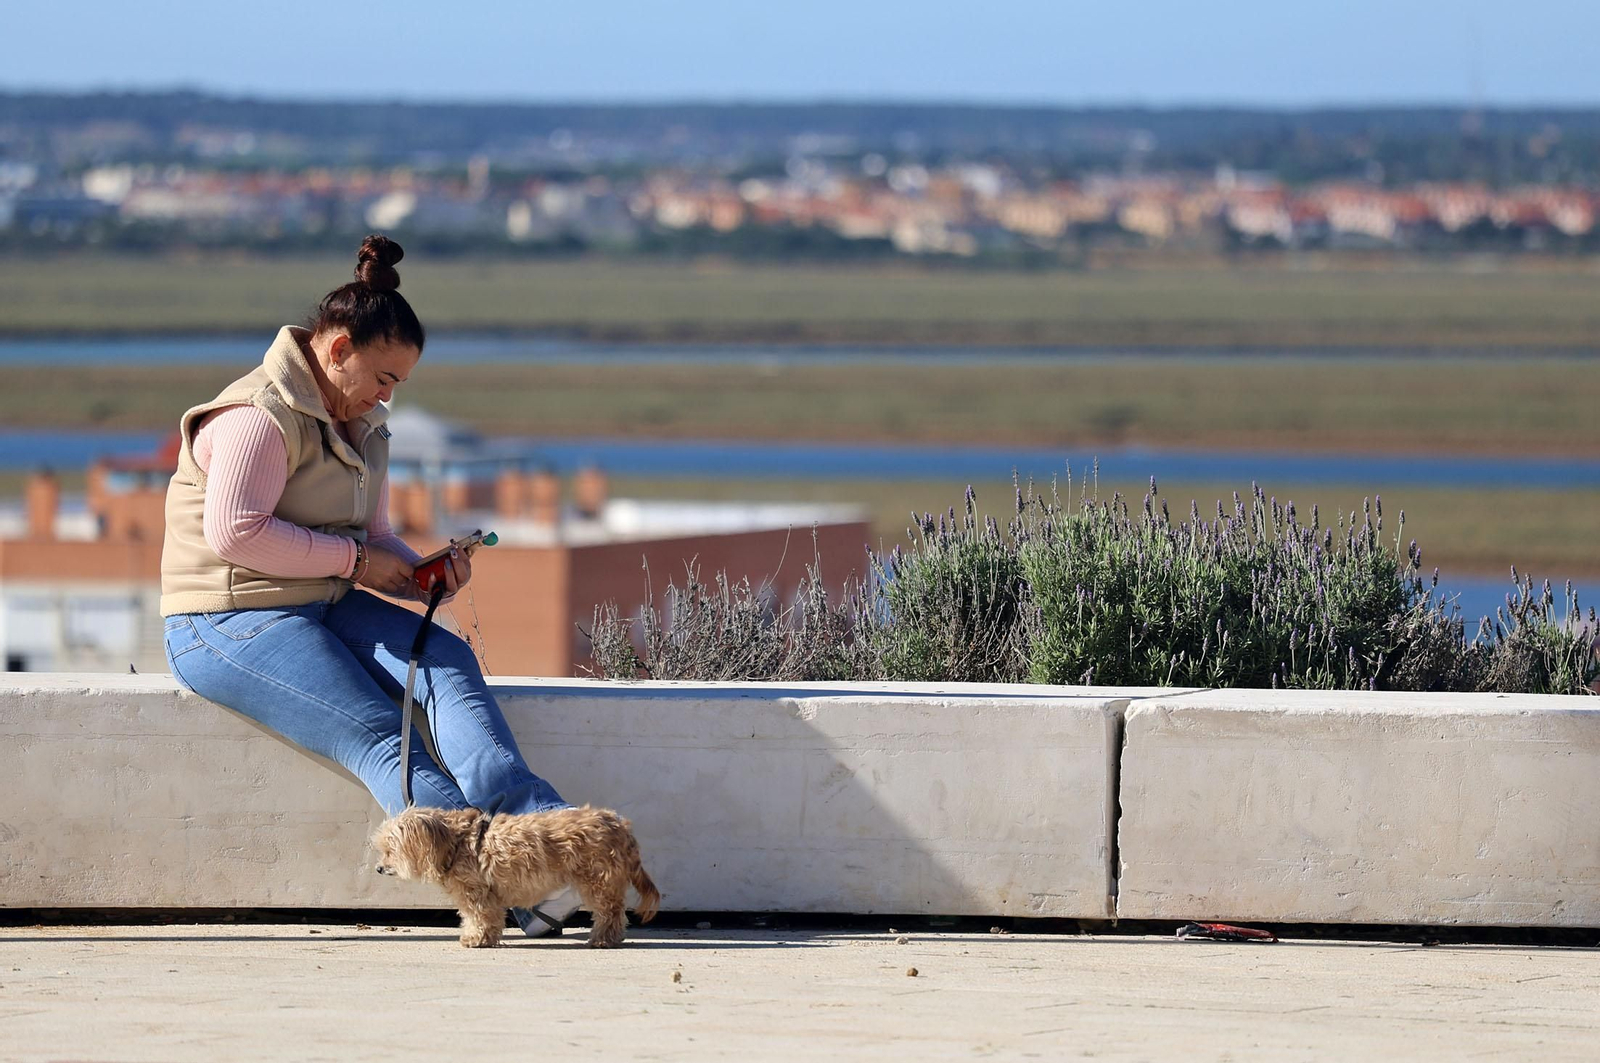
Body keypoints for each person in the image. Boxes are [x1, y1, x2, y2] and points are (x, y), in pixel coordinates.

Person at [158, 235, 576, 937]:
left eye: (397, 386)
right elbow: (236, 532)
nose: (387, 396)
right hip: (225, 620)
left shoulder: (362, 427)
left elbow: (369, 534)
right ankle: (501, 881)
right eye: (382, 377)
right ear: (339, 349)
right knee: (383, 738)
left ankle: (541, 840)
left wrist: (417, 574)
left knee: (446, 661)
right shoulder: (258, 419)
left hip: (319, 602)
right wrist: (355, 566)